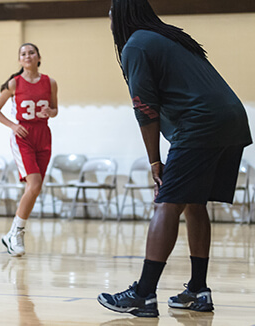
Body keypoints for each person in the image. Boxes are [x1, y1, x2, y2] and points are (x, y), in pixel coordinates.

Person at [98, 0, 252, 318]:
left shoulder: (136, 45)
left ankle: (143, 294)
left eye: (112, 10)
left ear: (123, 14)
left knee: (166, 203)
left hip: (200, 124)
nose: (109, 16)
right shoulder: (168, 36)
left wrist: (155, 162)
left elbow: (145, 108)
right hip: (233, 121)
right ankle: (197, 290)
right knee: (194, 204)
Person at [0, 43, 58, 257]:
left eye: (31, 52)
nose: (27, 56)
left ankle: (11, 233)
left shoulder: (50, 82)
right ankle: (18, 233)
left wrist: (51, 111)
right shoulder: (14, 83)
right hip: (23, 136)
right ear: (20, 60)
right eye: (23, 54)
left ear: (39, 57)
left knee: (35, 188)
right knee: (34, 184)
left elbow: (55, 110)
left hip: (43, 135)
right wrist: (12, 125)